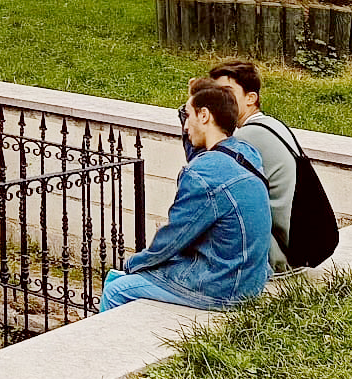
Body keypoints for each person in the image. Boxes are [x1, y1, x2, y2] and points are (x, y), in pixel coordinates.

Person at [101, 83, 272, 311]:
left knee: (115, 289)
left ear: (204, 115)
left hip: (223, 288)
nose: (184, 126)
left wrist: (132, 264)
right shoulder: (246, 154)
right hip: (250, 280)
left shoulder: (204, 174)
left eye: (188, 115)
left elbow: (173, 239)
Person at [206, 59, 300, 272]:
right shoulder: (271, 125)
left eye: (226, 92)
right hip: (293, 246)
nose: (217, 100)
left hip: (276, 254)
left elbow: (204, 184)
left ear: (251, 98)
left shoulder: (247, 138)